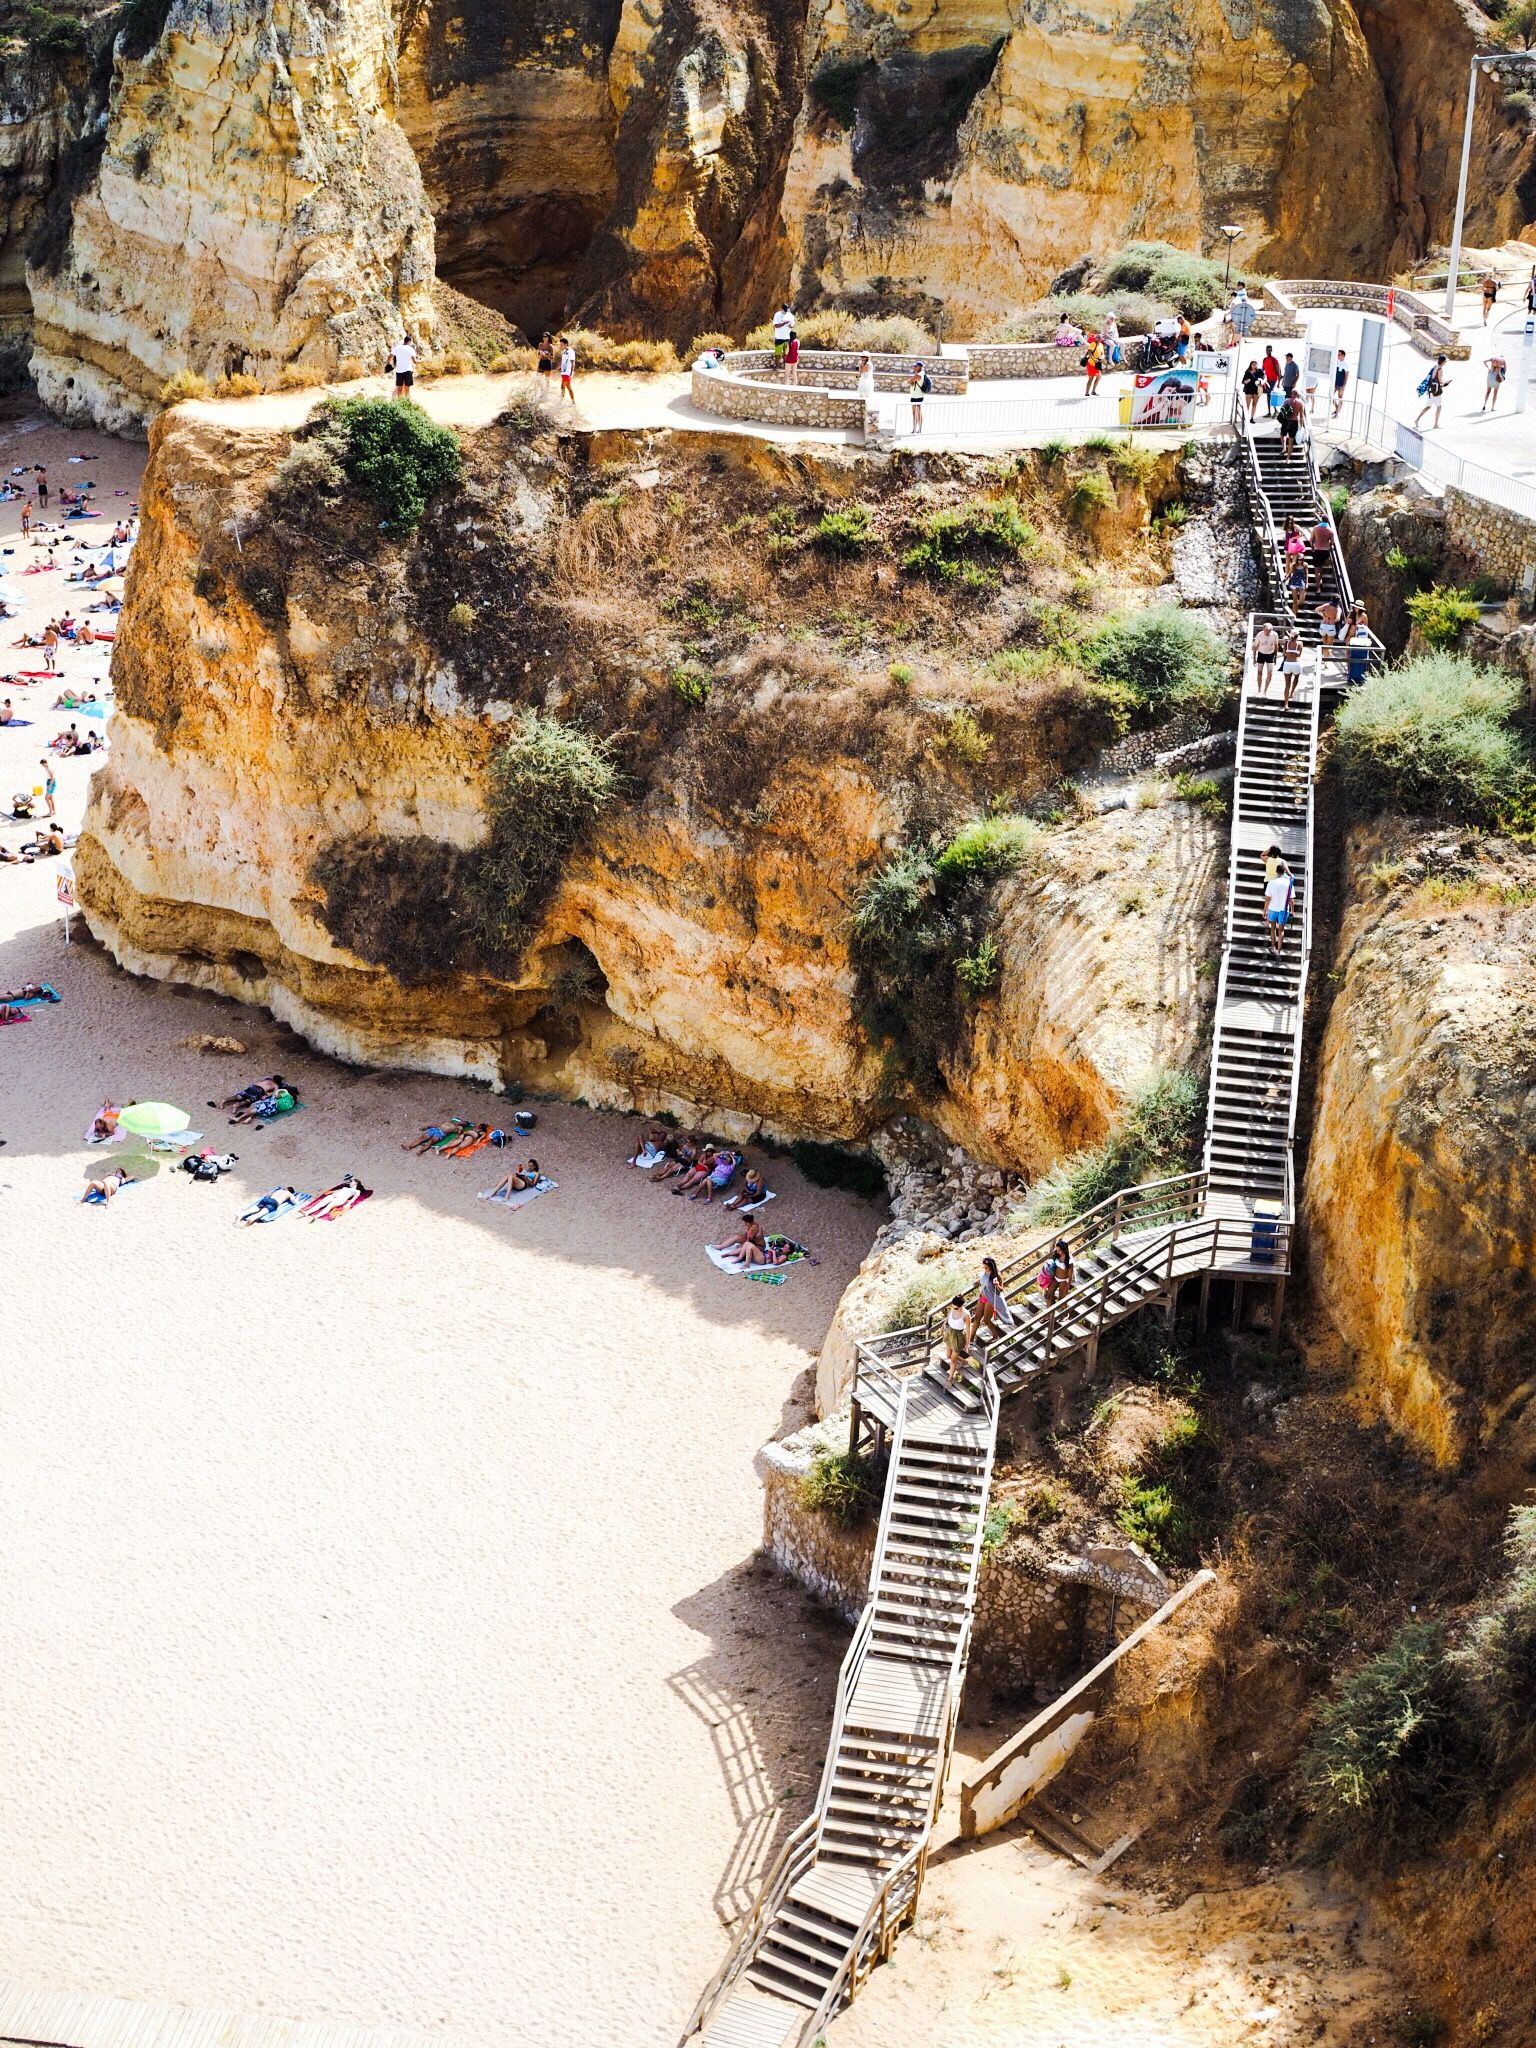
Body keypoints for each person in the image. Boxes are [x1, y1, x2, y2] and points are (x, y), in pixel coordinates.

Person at [971, 1255, 1015, 1342]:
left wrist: (997, 1285)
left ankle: (995, 1336)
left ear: (991, 1265)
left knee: (986, 1320)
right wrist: (978, 1282)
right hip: (982, 1297)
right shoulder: (985, 1272)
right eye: (984, 1267)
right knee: (976, 1318)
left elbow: (1001, 1289)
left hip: (990, 1299)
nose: (985, 1268)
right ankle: (971, 1339)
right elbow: (984, 1279)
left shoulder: (997, 1274)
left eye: (986, 1267)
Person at [1263, 859, 1295, 956]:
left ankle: (1273, 947)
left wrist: (1265, 911)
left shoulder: (1271, 883)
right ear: (1284, 871)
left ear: (1276, 872)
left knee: (1273, 928)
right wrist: (1293, 911)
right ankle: (1279, 951)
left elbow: (1267, 899)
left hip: (1272, 909)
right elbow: (1291, 900)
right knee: (1281, 931)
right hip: (1283, 910)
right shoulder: (1288, 884)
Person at [941, 1294, 971, 1387]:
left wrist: (967, 1343)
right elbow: (947, 1317)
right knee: (948, 1355)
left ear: (961, 1306)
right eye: (952, 1307)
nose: (953, 1309)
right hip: (950, 1333)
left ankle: (950, 1379)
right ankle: (964, 1362)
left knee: (953, 1359)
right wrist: (943, 1326)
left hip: (958, 1336)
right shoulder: (952, 1309)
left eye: (956, 1308)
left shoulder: (966, 1315)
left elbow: (968, 1329)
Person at [1414, 354, 1449, 430]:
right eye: (1445, 361)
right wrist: (1446, 383)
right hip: (1436, 391)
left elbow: (1433, 378)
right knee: (1439, 407)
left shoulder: (1434, 367)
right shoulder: (1440, 369)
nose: (1445, 363)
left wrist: (1444, 381)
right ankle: (1436, 424)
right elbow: (1439, 381)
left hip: (1431, 390)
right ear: (1443, 362)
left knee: (1429, 406)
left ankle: (1417, 419)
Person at [1279, 625, 1304, 707]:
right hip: (1296, 664)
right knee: (1296, 678)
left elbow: (1284, 654)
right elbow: (1299, 655)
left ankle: (1286, 704)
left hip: (1287, 664)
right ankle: (1292, 692)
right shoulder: (1300, 643)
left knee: (1287, 685)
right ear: (1297, 636)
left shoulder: (1287, 643)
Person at [1253, 617, 1280, 694]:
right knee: (1259, 672)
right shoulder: (1259, 635)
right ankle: (1259, 689)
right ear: (1263, 629)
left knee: (1270, 674)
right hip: (1261, 654)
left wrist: (1275, 658)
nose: (1268, 632)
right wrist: (1254, 659)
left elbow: (1276, 646)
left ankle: (1265, 690)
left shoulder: (1274, 635)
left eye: (1269, 630)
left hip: (1270, 654)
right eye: (1266, 631)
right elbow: (1255, 646)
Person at [389, 334, 416, 400]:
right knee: (407, 389)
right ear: (409, 341)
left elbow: (390, 356)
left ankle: (400, 402)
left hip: (399, 371)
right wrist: (420, 361)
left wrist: (389, 364)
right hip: (408, 371)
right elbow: (415, 361)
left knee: (399, 388)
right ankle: (407, 402)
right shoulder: (410, 349)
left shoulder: (397, 348)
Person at [907, 360, 932, 433]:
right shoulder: (920, 373)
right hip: (915, 395)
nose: (914, 367)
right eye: (914, 366)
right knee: (915, 413)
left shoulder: (919, 375)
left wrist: (911, 379)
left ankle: (918, 429)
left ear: (920, 367)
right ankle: (915, 429)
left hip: (917, 396)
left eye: (916, 366)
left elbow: (909, 381)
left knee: (917, 413)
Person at [1309, 515, 1333, 589]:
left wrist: (1312, 546)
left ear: (1321, 520)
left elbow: (1311, 539)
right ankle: (1321, 581)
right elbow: (1332, 542)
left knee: (1317, 571)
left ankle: (1318, 589)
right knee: (1322, 567)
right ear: (1328, 520)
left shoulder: (1316, 528)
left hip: (1317, 551)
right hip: (1325, 551)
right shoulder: (1330, 530)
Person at [1331, 348, 1350, 419]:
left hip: (1341, 384)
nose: (1337, 356)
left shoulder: (1346, 364)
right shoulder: (1337, 361)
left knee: (1340, 398)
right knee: (1330, 396)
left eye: (1339, 355)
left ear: (1342, 355)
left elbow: (1346, 375)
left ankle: (1337, 412)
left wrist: (1344, 385)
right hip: (1335, 383)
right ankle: (1337, 410)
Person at [558, 335, 576, 404]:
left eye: (561, 344)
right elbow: (562, 363)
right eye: (560, 344)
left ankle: (560, 402)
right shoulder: (564, 352)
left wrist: (571, 373)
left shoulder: (571, 351)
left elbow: (573, 362)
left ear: (566, 344)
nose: (560, 346)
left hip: (567, 373)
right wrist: (556, 370)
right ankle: (573, 402)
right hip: (563, 373)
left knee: (563, 386)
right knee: (568, 388)